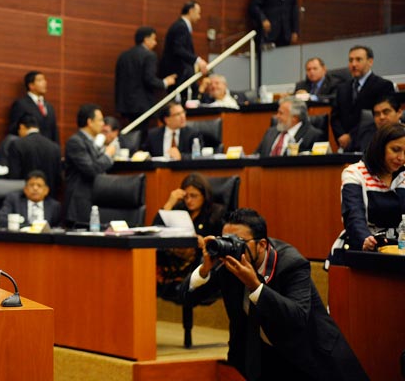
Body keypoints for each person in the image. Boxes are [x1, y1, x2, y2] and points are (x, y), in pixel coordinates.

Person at [184, 208, 367, 381]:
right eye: (227, 240)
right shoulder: (227, 263)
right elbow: (186, 297)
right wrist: (204, 269)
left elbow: (297, 317)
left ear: (262, 245)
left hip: (313, 359)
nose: (232, 247)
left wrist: (255, 286)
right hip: (265, 358)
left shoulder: (291, 264)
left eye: (238, 241)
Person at [330, 123, 405, 257]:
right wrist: (365, 239)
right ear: (380, 148)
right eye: (395, 150)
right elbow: (354, 217)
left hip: (399, 250)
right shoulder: (355, 173)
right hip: (362, 250)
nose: (402, 158)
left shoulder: (403, 175)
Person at [153, 173, 227, 299]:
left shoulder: (216, 212)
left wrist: (205, 242)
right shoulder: (179, 208)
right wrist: (170, 203)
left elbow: (222, 241)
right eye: (186, 196)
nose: (189, 200)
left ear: (204, 195)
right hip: (174, 258)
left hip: (199, 260)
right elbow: (155, 230)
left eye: (194, 196)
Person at [115, 26, 176, 142]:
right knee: (141, 137)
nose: (155, 43)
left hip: (125, 104)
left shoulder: (123, 56)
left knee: (131, 134)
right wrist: (165, 82)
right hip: (142, 104)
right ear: (146, 39)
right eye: (153, 39)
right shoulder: (149, 55)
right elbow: (149, 79)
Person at [331, 45, 395, 152]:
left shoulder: (383, 85)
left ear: (370, 61)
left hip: (371, 143)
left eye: (358, 59)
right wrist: (341, 135)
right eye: (351, 60)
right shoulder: (342, 88)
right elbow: (335, 117)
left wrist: (351, 136)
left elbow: (378, 116)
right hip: (345, 147)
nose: (353, 64)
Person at [64, 104, 116, 228]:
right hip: (80, 203)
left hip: (93, 200)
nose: (103, 124)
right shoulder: (75, 141)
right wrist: (107, 156)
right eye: (100, 120)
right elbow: (91, 169)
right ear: (90, 122)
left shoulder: (90, 142)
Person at [159, 0, 209, 99]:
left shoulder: (181, 26)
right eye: (198, 13)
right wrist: (198, 60)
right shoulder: (181, 26)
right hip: (177, 72)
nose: (199, 17)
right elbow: (178, 49)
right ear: (191, 11)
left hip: (180, 72)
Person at [7, 113, 61, 194]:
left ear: (21, 127)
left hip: (25, 195)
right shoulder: (55, 147)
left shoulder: (17, 144)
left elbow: (14, 176)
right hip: (49, 196)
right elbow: (58, 178)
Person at [254, 97, 324, 157]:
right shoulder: (270, 132)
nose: (277, 116)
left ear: (295, 117)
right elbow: (257, 155)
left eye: (281, 113)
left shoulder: (313, 136)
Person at [8, 70, 59, 144]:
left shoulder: (49, 107)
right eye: (40, 80)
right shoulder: (21, 104)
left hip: (47, 148)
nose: (45, 82)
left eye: (44, 80)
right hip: (28, 146)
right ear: (31, 85)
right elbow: (14, 129)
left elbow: (54, 132)